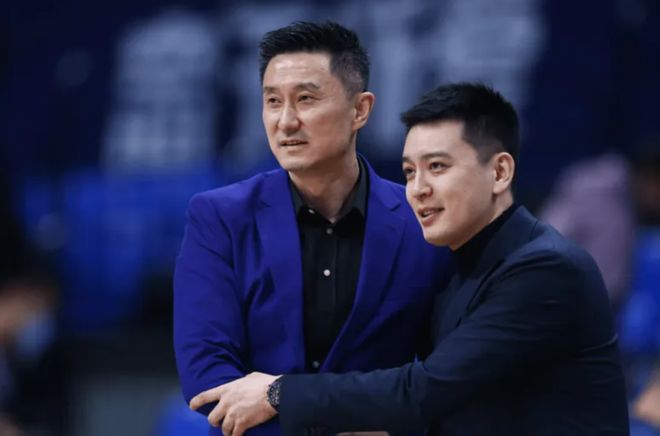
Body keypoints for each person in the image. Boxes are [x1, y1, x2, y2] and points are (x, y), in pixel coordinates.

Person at [191, 83, 630, 436]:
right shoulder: (458, 269)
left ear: (499, 172)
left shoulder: (544, 270)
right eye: (408, 172)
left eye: (437, 167)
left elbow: (423, 390)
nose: (417, 189)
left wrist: (278, 393)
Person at [173, 21, 450, 435]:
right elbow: (207, 379)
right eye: (272, 101)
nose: (285, 121)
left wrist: (284, 398)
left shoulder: (421, 221)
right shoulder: (220, 217)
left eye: (305, 99)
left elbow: (445, 377)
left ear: (360, 110)